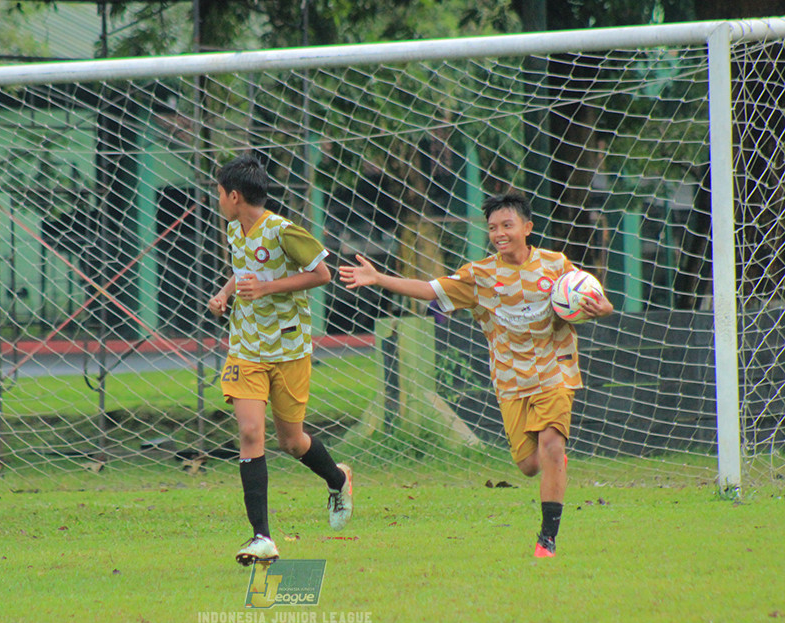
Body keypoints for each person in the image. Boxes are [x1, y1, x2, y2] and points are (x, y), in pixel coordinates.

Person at [339, 191, 613, 558]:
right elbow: (429, 290)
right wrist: (378, 278)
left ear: (527, 228)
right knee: (530, 465)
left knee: (551, 443)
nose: (499, 233)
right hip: (510, 383)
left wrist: (603, 307)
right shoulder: (481, 275)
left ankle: (547, 539)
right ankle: (552, 463)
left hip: (555, 372)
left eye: (507, 225)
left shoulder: (556, 266)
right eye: (493, 227)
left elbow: (592, 297)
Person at [208, 154, 354, 566]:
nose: (217, 200)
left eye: (219, 193)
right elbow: (243, 269)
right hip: (245, 349)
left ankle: (339, 479)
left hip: (289, 350)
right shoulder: (235, 229)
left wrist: (269, 288)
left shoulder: (283, 231)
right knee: (251, 434)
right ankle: (261, 538)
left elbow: (322, 274)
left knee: (292, 441)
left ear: (235, 196)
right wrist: (226, 293)